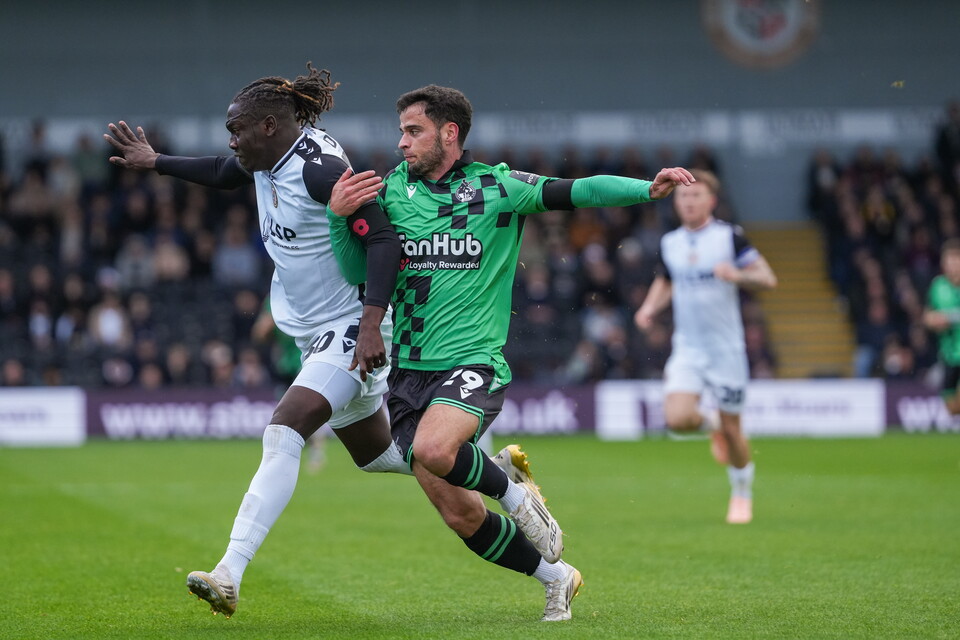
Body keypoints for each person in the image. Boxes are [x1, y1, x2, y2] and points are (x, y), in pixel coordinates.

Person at [329, 85, 694, 621]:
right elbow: (358, 272)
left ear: (448, 133)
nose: (401, 142)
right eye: (402, 131)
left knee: (433, 452)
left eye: (413, 131)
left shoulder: (498, 187)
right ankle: (556, 576)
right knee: (458, 514)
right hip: (409, 371)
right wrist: (341, 218)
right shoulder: (388, 194)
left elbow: (581, 190)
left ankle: (518, 495)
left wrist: (648, 189)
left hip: (472, 361)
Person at [104, 63, 412, 618]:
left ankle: (230, 571)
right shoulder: (270, 157)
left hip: (349, 323)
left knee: (283, 429)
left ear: (269, 126)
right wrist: (157, 163)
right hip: (313, 327)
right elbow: (225, 171)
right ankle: (493, 470)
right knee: (381, 457)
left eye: (237, 129)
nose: (231, 139)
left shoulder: (321, 172)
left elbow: (385, 241)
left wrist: (371, 324)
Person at [634, 169, 777, 525]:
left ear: (710, 201)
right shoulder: (672, 243)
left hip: (726, 350)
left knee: (735, 430)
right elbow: (667, 281)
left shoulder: (730, 238)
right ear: (676, 202)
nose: (689, 202)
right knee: (677, 419)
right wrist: (650, 308)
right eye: (683, 197)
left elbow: (768, 278)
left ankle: (742, 493)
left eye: (696, 196)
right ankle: (712, 425)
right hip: (688, 348)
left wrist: (739, 275)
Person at [923, 238, 960, 414]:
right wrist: (935, 321)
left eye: (955, 260)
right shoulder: (938, 286)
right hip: (949, 355)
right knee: (951, 409)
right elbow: (928, 316)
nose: (952, 265)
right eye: (948, 261)